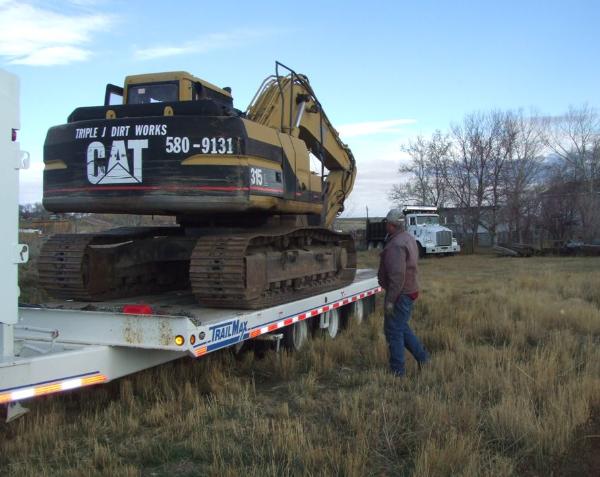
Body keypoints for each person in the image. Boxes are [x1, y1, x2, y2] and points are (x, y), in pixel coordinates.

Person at [377, 208, 430, 376]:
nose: (385, 226)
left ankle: (397, 373)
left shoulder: (396, 245)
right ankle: (424, 359)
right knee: (401, 327)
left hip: (400, 294)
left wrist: (390, 301)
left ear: (392, 225)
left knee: (394, 331)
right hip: (409, 290)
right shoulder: (408, 238)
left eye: (387, 223)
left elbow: (397, 276)